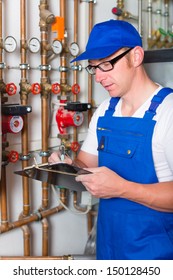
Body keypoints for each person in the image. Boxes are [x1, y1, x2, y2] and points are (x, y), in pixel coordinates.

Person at [49, 19, 173, 260]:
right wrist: (66, 165)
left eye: (106, 64)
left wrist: (122, 188)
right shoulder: (106, 110)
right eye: (94, 67)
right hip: (109, 250)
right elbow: (85, 165)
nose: (98, 77)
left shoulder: (168, 112)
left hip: (157, 256)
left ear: (136, 57)